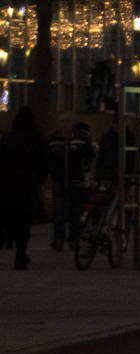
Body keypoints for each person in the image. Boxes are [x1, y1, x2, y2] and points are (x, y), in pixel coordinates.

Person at [1, 108, 49, 269]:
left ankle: (8, 241)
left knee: (9, 217)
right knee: (24, 222)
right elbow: (43, 162)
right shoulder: (35, 139)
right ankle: (20, 255)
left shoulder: (9, 139)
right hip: (27, 185)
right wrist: (39, 179)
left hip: (8, 186)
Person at [49, 121, 95, 251]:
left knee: (74, 212)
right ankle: (60, 239)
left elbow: (90, 155)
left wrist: (83, 169)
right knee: (59, 212)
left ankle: (73, 239)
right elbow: (48, 158)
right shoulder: (54, 141)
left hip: (75, 181)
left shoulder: (80, 141)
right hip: (60, 180)